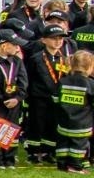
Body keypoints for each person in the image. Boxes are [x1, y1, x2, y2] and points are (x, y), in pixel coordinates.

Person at [25, 17, 72, 165]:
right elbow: (30, 77)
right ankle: (33, 152)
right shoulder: (36, 58)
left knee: (52, 124)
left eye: (60, 39)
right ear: (44, 40)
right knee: (37, 124)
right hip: (39, 98)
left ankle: (48, 151)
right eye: (53, 39)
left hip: (57, 98)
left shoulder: (64, 59)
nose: (58, 42)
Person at [0, 30, 27, 168]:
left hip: (14, 103)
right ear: (4, 46)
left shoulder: (17, 61)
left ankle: (10, 159)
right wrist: (1, 99)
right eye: (15, 45)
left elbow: (23, 81)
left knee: (11, 132)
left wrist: (17, 98)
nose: (17, 48)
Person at [55, 49, 93, 173]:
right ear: (89, 67)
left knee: (63, 144)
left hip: (64, 121)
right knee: (78, 145)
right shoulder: (90, 83)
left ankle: (62, 164)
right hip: (81, 123)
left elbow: (56, 99)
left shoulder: (63, 81)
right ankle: (75, 166)